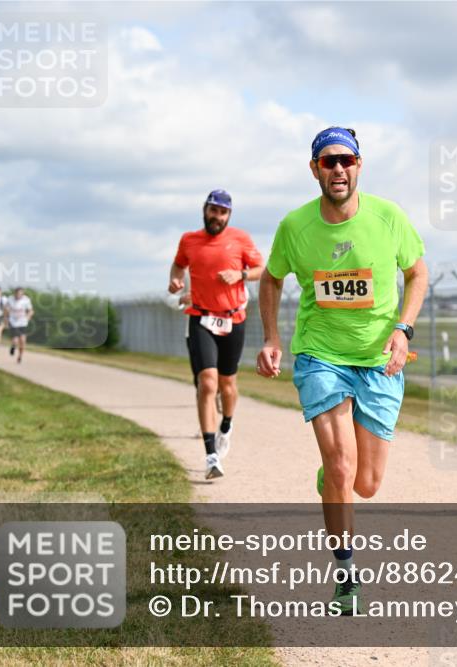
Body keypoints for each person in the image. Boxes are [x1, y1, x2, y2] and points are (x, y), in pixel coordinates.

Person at [256, 127, 427, 615]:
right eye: (328, 161)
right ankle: (347, 575)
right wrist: (270, 337)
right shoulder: (295, 226)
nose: (337, 169)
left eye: (346, 160)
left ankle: (332, 479)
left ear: (359, 165)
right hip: (320, 356)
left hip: (378, 360)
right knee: (342, 467)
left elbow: (417, 272)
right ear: (314, 169)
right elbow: (271, 278)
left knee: (366, 483)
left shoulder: (388, 217)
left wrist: (404, 329)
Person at [169, 189, 264, 480]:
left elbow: (261, 268)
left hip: (233, 319)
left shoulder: (240, 239)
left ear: (228, 215)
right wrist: (175, 279)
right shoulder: (189, 240)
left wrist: (240, 275)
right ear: (205, 210)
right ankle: (211, 455)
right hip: (201, 317)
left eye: (223, 213)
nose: (217, 217)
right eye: (213, 210)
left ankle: (226, 425)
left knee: (227, 385)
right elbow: (178, 264)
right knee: (207, 382)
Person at [6, 287, 33, 363]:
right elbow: (6, 309)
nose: (19, 295)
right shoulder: (10, 299)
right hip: (13, 322)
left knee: (23, 341)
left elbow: (31, 311)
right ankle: (13, 346)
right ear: (15, 293)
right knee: (15, 340)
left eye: (20, 294)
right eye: (17, 294)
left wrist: (28, 317)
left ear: (22, 294)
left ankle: (20, 356)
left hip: (22, 322)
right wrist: (6, 318)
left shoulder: (26, 300)